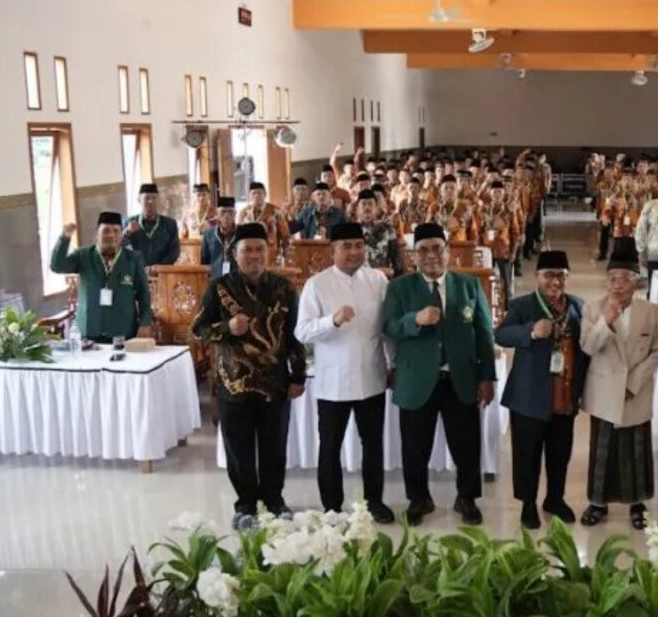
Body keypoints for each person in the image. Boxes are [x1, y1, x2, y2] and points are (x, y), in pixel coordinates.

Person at [193, 223, 307, 530]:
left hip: (275, 383)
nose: (254, 255)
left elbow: (295, 335)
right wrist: (226, 328)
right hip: (234, 385)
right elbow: (198, 330)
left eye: (259, 249)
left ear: (268, 251)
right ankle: (245, 505)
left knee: (274, 447)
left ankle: (274, 501)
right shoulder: (219, 288)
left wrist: (298, 375)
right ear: (235, 253)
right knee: (239, 450)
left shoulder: (284, 288)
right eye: (247, 250)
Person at [382, 223, 497, 526]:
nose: (431, 255)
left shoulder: (469, 285)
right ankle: (419, 499)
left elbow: (484, 334)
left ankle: (467, 498)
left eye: (437, 248)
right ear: (413, 256)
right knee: (414, 447)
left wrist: (487, 378)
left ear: (448, 252)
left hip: (460, 379)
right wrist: (415, 320)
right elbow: (389, 327)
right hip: (416, 380)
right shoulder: (399, 287)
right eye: (423, 250)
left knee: (467, 444)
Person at [294, 223, 396, 523]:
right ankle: (332, 508)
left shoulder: (378, 280)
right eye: (346, 246)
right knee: (330, 448)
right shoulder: (317, 284)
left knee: (373, 445)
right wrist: (333, 321)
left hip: (371, 378)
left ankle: (374, 502)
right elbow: (302, 331)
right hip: (333, 383)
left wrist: (392, 364)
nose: (354, 252)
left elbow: (387, 330)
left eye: (358, 245)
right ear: (333, 250)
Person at [494, 251, 589, 530]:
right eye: (549, 275)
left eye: (561, 275)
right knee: (528, 454)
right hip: (529, 396)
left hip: (565, 394)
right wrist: (531, 331)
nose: (555, 281)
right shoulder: (523, 305)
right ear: (537, 276)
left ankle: (555, 499)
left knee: (560, 453)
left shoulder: (578, 305)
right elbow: (501, 335)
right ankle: (528, 504)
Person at [579, 238, 658, 530]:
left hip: (636, 391)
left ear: (636, 282)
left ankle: (637, 504)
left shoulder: (651, 312)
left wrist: (635, 383)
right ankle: (597, 503)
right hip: (604, 390)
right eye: (612, 279)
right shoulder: (593, 309)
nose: (617, 285)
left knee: (636, 450)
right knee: (602, 448)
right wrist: (605, 322)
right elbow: (588, 347)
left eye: (624, 279)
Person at [49, 212, 153, 341]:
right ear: (97, 235)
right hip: (89, 331)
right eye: (106, 231)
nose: (111, 235)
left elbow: (143, 293)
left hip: (123, 330)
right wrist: (64, 238)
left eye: (116, 231)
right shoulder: (83, 255)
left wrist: (145, 322)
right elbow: (57, 266)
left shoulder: (133, 258)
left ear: (121, 235)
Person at [479, 180, 522, 298]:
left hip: (504, 250)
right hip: (487, 249)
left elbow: (515, 233)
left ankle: (507, 305)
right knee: (486, 279)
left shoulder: (509, 211)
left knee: (505, 281)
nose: (497, 195)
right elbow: (479, 230)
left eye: (499, 192)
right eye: (494, 192)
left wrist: (514, 252)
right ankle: (487, 302)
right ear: (490, 193)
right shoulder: (484, 210)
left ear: (503, 194)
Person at [124, 183, 180, 266]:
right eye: (147, 198)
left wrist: (159, 268)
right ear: (139, 200)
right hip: (137, 270)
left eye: (154, 198)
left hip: (162, 271)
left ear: (158, 200)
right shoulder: (129, 223)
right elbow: (120, 248)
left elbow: (174, 251)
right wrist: (127, 233)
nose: (150, 201)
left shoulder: (170, 224)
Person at [353, 188, 403, 276]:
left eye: (370, 204)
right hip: (358, 278)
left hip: (383, 278)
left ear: (376, 208)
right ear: (357, 208)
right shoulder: (350, 231)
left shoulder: (388, 229)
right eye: (363, 204)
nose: (367, 208)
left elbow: (396, 258)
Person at [238, 182, 291, 261]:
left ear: (265, 195)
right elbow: (239, 235)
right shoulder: (244, 212)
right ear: (250, 196)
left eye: (260, 193)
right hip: (249, 253)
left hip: (270, 253)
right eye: (254, 193)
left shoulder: (275, 211)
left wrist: (285, 254)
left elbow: (285, 235)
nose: (257, 196)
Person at [427, 175, 478, 243]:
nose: (449, 191)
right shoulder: (434, 208)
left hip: (460, 247)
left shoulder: (465, 208)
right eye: (446, 188)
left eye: (452, 188)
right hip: (439, 247)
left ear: (457, 191)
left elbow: (473, 233)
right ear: (440, 192)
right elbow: (427, 232)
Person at [199, 197, 237, 279]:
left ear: (235, 214)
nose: (226, 216)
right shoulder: (208, 234)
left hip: (237, 278)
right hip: (215, 278)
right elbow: (204, 261)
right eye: (223, 212)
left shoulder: (241, 234)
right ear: (217, 214)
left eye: (230, 212)